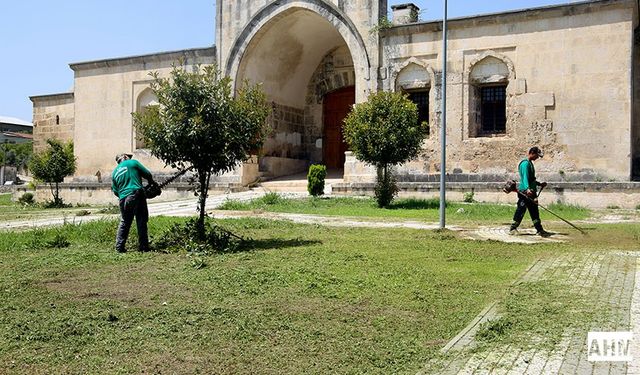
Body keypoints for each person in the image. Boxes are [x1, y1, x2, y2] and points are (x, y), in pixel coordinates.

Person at [111, 153, 155, 252]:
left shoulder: (114, 172)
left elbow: (115, 191)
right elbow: (147, 174)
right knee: (141, 220)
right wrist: (151, 182)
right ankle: (143, 247)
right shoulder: (132, 163)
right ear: (125, 157)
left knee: (125, 222)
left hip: (123, 198)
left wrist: (124, 196)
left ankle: (119, 247)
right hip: (136, 193)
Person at [509, 146, 551, 237]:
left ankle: (539, 230)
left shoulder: (530, 163)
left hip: (531, 191)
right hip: (525, 192)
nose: (537, 158)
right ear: (532, 153)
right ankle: (513, 228)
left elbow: (531, 179)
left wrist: (539, 184)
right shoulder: (525, 164)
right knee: (521, 210)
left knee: (534, 211)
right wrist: (527, 188)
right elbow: (525, 178)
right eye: (537, 155)